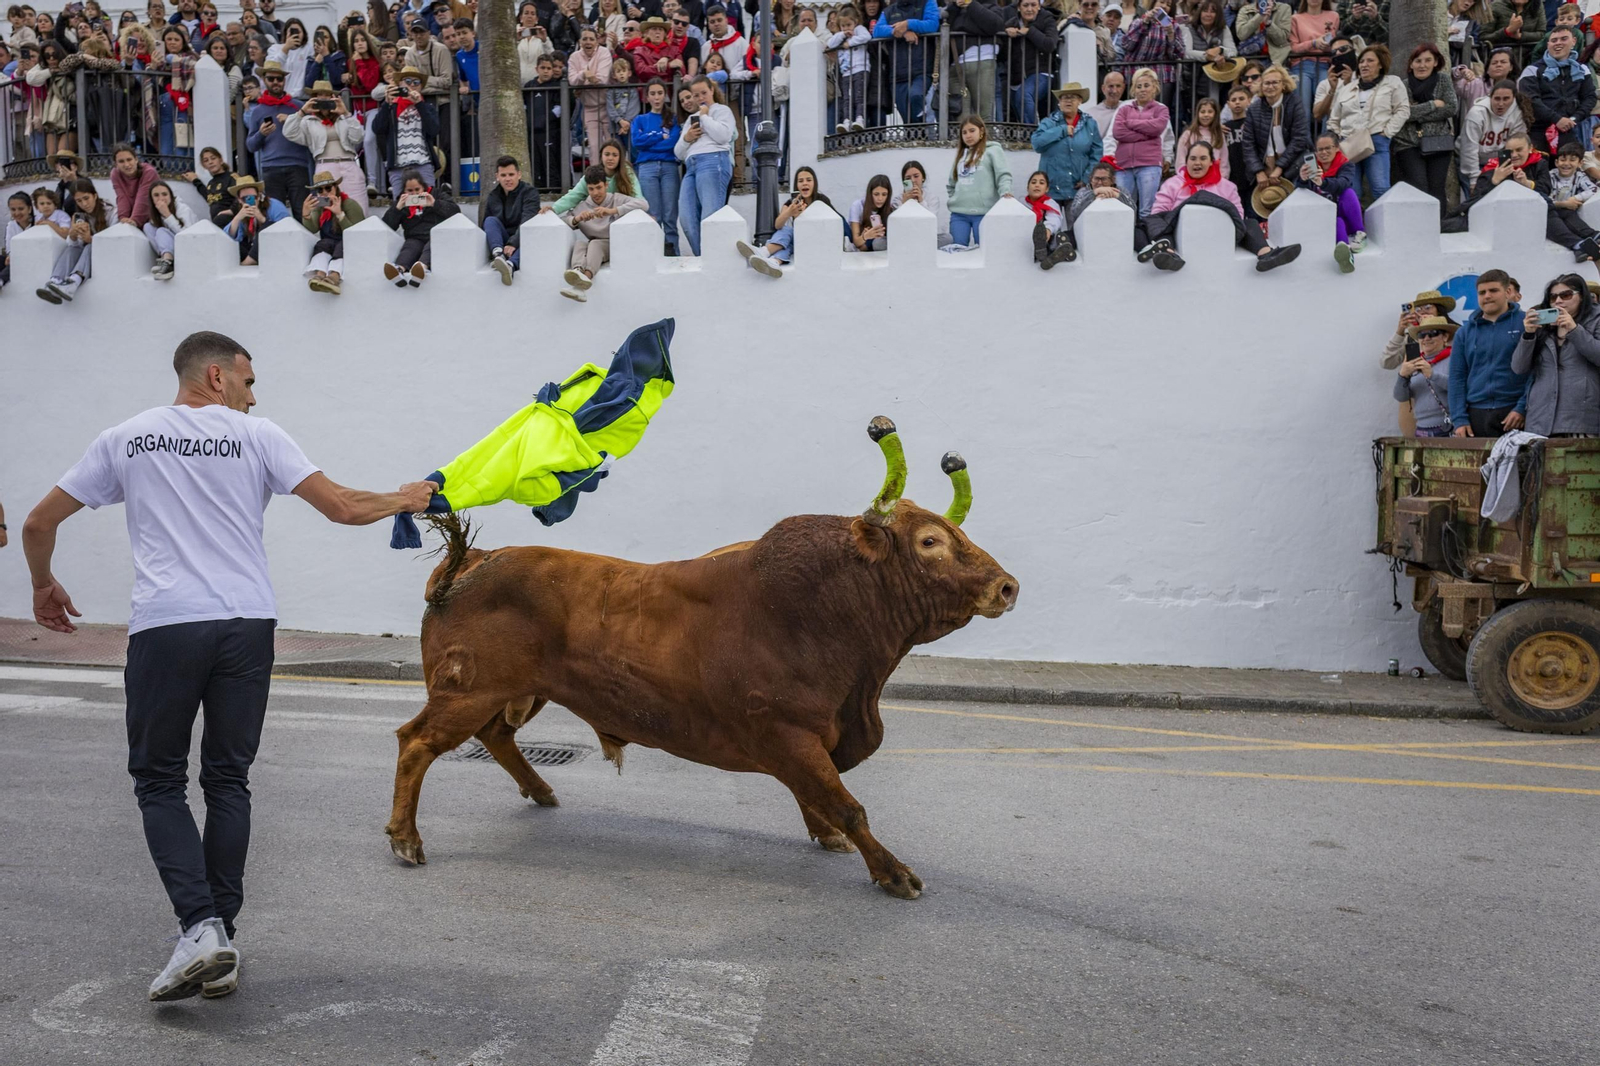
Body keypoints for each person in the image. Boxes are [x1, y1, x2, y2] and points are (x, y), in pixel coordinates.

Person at [21, 330, 436, 1004]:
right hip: (247, 624)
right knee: (227, 779)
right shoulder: (259, 437)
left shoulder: (127, 438)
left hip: (168, 624)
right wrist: (406, 497)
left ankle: (201, 929)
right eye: (247, 381)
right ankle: (221, 938)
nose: (252, 395)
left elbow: (39, 523)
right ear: (216, 376)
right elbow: (342, 507)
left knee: (159, 780)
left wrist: (43, 584)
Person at [1136, 140, 1301, 272]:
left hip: (1219, 233)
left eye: (1203, 158)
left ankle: (1266, 255)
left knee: (1249, 223)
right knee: (1154, 223)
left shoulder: (1227, 187)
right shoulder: (1172, 184)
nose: (1197, 163)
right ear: (1186, 162)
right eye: (1193, 159)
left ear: (1211, 162)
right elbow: (1158, 212)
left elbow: (1238, 215)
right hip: (1181, 233)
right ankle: (1168, 255)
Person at [1513, 273, 1600, 436]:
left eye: (1566, 295)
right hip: (1540, 421)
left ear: (1582, 296)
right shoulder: (1543, 325)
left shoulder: (1596, 319)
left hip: (1580, 421)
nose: (1558, 301)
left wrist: (1574, 330)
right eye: (1553, 297)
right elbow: (1518, 367)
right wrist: (1529, 335)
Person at [1449, 268, 1528, 438]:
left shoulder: (1526, 323)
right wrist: (1459, 419)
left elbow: (1537, 371)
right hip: (1476, 414)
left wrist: (1522, 407)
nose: (1487, 296)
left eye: (1493, 290)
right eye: (1482, 292)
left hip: (1515, 413)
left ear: (1508, 292)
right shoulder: (1464, 332)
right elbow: (1457, 377)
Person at [1326, 45, 1408, 201]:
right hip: (1348, 143)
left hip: (1376, 139)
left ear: (1381, 64)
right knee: (1352, 192)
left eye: (1370, 61)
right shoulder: (1347, 88)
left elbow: (1403, 110)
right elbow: (1334, 119)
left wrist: (1387, 133)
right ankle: (1356, 218)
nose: (1364, 65)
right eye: (1362, 61)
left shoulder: (1392, 82)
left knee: (1380, 189)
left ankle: (1385, 218)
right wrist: (1338, 137)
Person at [558, 163, 648, 301]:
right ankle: (577, 273)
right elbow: (563, 220)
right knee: (580, 244)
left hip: (611, 243)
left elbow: (643, 204)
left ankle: (585, 280)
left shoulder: (616, 199)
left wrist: (613, 211)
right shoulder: (582, 206)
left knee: (595, 244)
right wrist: (577, 219)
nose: (595, 193)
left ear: (606, 185)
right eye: (591, 189)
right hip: (593, 247)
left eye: (599, 187)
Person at [244, 60, 313, 224]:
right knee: (275, 215)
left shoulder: (298, 107)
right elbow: (251, 145)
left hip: (298, 166)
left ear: (284, 80)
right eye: (271, 78)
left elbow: (311, 135)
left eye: (279, 79)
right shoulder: (258, 111)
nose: (275, 82)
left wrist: (292, 120)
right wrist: (261, 134)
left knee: (302, 212)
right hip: (271, 168)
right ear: (264, 80)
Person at [281, 79, 366, 211]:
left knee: (359, 208)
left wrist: (346, 113)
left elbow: (358, 137)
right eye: (319, 95)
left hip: (349, 164)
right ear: (313, 98)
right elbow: (288, 132)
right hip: (324, 167)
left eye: (327, 95)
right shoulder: (308, 121)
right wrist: (302, 111)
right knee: (327, 210)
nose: (323, 98)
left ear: (333, 97)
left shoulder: (344, 118)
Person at [674, 73, 734, 256]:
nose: (700, 98)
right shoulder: (690, 119)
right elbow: (678, 153)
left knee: (710, 217)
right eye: (696, 95)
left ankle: (712, 259)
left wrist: (705, 117)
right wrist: (687, 138)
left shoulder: (722, 110)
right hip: (691, 166)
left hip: (713, 160)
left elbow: (724, 136)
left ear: (712, 91)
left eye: (704, 93)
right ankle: (704, 258)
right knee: (687, 219)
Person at [1391, 42, 1456, 213]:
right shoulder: (1402, 85)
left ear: (1436, 62)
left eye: (1428, 60)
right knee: (1418, 187)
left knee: (1437, 188)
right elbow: (1404, 114)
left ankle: (1440, 224)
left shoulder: (1443, 80)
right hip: (1408, 144)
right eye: (1418, 61)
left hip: (1439, 142)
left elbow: (1451, 108)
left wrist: (1416, 111)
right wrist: (1433, 104)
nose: (1422, 65)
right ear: (1411, 64)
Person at [735, 164, 830, 276]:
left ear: (814, 183)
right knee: (786, 233)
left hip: (814, 240)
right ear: (796, 185)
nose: (805, 183)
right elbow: (778, 225)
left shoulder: (822, 201)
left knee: (788, 232)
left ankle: (763, 252)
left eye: (809, 180)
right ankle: (774, 262)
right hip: (796, 243)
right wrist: (789, 212)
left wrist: (804, 215)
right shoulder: (791, 203)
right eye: (800, 181)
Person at [1518, 25, 1594, 155]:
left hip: (1570, 129)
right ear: (1548, 44)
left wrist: (1574, 118)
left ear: (1574, 41)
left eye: (1564, 39)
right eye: (1554, 40)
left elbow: (1590, 97)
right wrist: (1557, 119)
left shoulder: (1582, 69)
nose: (1558, 43)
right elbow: (1531, 100)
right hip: (1539, 131)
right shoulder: (1532, 70)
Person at [1294, 131, 1363, 270]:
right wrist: (1302, 179)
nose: (1323, 152)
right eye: (1320, 149)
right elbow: (1300, 192)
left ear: (1337, 148)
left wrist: (1322, 182)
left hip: (1345, 215)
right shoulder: (1311, 167)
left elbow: (1343, 183)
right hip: (1325, 219)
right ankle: (1345, 253)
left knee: (1348, 192)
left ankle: (1360, 233)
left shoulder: (1346, 165)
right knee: (1337, 222)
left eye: (1328, 148)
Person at [369, 65, 439, 198]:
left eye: (416, 82)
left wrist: (419, 104)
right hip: (398, 167)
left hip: (422, 163)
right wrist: (387, 103)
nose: (412, 85)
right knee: (400, 205)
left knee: (428, 203)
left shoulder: (427, 107)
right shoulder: (391, 107)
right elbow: (377, 129)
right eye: (407, 81)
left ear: (421, 87)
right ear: (400, 84)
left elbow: (433, 130)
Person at [381, 168, 457, 286]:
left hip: (435, 235)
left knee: (432, 244)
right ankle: (399, 269)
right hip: (414, 238)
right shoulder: (401, 202)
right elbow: (387, 226)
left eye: (417, 189)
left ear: (424, 188)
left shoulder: (436, 194)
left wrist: (434, 204)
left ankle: (421, 268)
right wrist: (397, 209)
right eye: (410, 191)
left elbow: (455, 211)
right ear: (404, 191)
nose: (414, 194)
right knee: (410, 247)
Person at [36, 178, 108, 304]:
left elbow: (113, 242)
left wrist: (91, 239)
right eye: (79, 201)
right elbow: (75, 245)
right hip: (86, 258)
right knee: (71, 248)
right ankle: (55, 282)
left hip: (103, 256)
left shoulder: (110, 211)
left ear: (95, 196)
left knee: (89, 247)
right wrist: (73, 236)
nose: (84, 204)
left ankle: (74, 281)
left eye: (86, 198)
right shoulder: (78, 216)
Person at [1031, 81, 1102, 205]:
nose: (1068, 101)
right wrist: (1062, 130)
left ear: (1080, 101)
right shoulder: (1049, 122)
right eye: (1064, 98)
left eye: (1072, 97)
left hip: (1078, 189)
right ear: (1059, 101)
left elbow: (1096, 154)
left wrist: (1087, 178)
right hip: (1051, 188)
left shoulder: (1090, 124)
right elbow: (1036, 144)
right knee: (1050, 218)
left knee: (1078, 218)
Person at [1110, 67, 1169, 215]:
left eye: (1146, 85)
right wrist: (1147, 134)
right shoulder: (1124, 109)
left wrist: (1130, 123)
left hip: (1149, 164)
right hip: (1123, 165)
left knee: (1146, 210)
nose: (1142, 89)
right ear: (1133, 89)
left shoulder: (1161, 109)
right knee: (1124, 209)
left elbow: (1157, 128)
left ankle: (1146, 232)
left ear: (1154, 88)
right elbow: (1118, 132)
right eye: (1139, 86)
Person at [946, 114, 1011, 247]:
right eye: (964, 132)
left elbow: (1003, 175)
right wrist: (957, 198)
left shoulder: (993, 150)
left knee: (983, 251)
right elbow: (951, 183)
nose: (968, 135)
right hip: (959, 213)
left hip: (984, 212)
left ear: (981, 131)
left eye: (972, 130)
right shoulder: (961, 155)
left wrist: (1005, 192)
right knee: (957, 249)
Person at [631, 79, 680, 254]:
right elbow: (636, 142)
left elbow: (673, 143)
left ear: (665, 95)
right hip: (646, 168)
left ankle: (673, 253)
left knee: (670, 216)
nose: (657, 97)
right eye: (653, 93)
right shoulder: (640, 119)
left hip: (669, 167)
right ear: (647, 97)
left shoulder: (673, 119)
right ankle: (655, 254)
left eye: (660, 93)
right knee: (654, 215)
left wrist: (649, 142)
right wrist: (659, 136)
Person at [479, 154, 539, 284]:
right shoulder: (493, 196)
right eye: (503, 175)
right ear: (497, 176)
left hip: (523, 239)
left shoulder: (530, 193)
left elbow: (528, 221)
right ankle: (498, 255)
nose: (507, 179)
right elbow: (487, 226)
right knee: (490, 221)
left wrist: (513, 243)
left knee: (529, 240)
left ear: (519, 174)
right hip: (503, 242)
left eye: (511, 174)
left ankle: (510, 266)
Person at [1459, 78, 1529, 188]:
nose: (1500, 104)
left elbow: (1513, 147)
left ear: (1514, 98)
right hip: (1473, 162)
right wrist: (1474, 180)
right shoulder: (1476, 114)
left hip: (1499, 162)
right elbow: (1469, 149)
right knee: (1476, 195)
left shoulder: (1518, 114)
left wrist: (1504, 169)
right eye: (1497, 99)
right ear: (1490, 97)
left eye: (1506, 99)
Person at [1394, 315, 1457, 437]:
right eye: (1422, 335)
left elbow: (1460, 388)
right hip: (1422, 429)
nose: (1426, 338)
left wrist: (1432, 374)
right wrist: (1402, 376)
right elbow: (1401, 397)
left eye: (1433, 333)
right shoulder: (1415, 362)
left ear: (1445, 337)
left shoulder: (1454, 358)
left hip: (1449, 428)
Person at [301, 169, 362, 294]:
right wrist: (306, 215)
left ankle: (334, 277)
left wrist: (339, 214)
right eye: (320, 190)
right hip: (329, 244)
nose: (324, 193)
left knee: (341, 246)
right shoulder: (320, 207)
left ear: (335, 188)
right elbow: (312, 229)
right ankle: (320, 275)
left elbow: (357, 234)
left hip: (348, 245)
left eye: (328, 188)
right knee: (322, 244)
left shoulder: (349, 204)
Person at [1539, 140, 1600, 262]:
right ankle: (1580, 246)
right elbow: (1544, 198)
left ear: (1580, 163)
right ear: (1556, 162)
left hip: (1568, 211)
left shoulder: (1579, 176)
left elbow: (1594, 189)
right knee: (1561, 217)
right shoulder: (1550, 176)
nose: (1566, 164)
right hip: (1551, 210)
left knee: (1570, 216)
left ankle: (1592, 236)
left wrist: (1576, 198)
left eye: (1572, 160)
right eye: (1563, 160)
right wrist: (1563, 204)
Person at [1003, 0, 1058, 125]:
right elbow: (1002, 54)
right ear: (1018, 7)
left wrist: (1029, 31)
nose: (1029, 9)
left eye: (1033, 5)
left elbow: (1050, 44)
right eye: (1025, 5)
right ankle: (1028, 134)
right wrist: (1007, 36)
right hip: (1016, 78)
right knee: (1018, 110)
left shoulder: (1047, 19)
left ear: (1039, 7)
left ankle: (1032, 134)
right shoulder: (1011, 23)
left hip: (1042, 73)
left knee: (1023, 96)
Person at [1287, 0, 1338, 123]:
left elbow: (1335, 43)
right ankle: (1304, 136)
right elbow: (1293, 48)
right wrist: (1313, 43)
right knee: (1302, 108)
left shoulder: (1333, 16)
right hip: (1302, 65)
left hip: (1324, 65)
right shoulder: (1295, 18)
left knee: (1328, 103)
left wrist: (1327, 47)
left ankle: (1327, 134)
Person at [1382, 288, 1458, 369]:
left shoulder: (1457, 334)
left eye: (1427, 307)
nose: (1422, 312)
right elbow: (1387, 363)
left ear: (1439, 310)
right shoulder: (1411, 338)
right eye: (1418, 309)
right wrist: (1400, 332)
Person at [224, 174, 290, 264]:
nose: (249, 201)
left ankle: (248, 262)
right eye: (244, 198)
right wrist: (237, 218)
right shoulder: (242, 211)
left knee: (266, 227)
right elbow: (226, 237)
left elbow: (285, 231)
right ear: (239, 200)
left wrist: (262, 218)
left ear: (259, 196)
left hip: (274, 249)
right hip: (252, 247)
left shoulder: (275, 205)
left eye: (253, 197)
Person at [570, 26, 612, 161]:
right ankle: (596, 174)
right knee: (594, 147)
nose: (588, 42)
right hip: (589, 108)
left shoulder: (604, 52)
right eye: (585, 39)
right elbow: (572, 81)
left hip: (607, 106)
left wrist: (581, 85)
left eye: (591, 39)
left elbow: (601, 79)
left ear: (597, 41)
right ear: (580, 42)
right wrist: (584, 74)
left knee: (611, 145)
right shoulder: (574, 57)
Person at [825, 3, 869, 131]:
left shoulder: (859, 30)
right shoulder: (840, 35)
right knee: (847, 97)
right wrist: (843, 35)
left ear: (855, 22)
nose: (846, 28)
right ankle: (847, 120)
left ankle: (860, 118)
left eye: (849, 25)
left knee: (859, 95)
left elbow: (867, 37)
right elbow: (830, 43)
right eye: (843, 26)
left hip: (860, 68)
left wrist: (850, 42)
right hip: (846, 71)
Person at [142, 179, 193, 281]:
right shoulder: (155, 214)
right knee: (148, 227)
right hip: (171, 249)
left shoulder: (183, 209)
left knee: (161, 231)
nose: (161, 198)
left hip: (187, 248)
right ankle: (165, 259)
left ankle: (169, 262)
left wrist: (168, 215)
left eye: (164, 194)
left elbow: (187, 235)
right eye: (156, 195)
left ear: (170, 196)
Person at [1024, 168, 1073, 269]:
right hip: (1027, 242)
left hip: (1049, 239)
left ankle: (1053, 255)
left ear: (1046, 189)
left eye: (1041, 183)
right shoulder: (1021, 205)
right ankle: (1042, 252)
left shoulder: (1050, 203)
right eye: (1033, 182)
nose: (1037, 185)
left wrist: (1047, 230)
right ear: (1027, 188)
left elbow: (1054, 218)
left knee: (1068, 235)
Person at [1177, 96, 1230, 182]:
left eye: (1210, 112)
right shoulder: (1188, 135)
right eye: (1202, 112)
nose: (1206, 115)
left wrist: (1222, 179)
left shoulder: (1219, 135)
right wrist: (1184, 177)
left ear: (1215, 114)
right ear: (1197, 113)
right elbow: (1181, 159)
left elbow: (1224, 161)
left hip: (1214, 181)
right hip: (1192, 181)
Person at [111, 142, 159, 228]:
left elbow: (143, 198)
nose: (126, 164)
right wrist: (123, 218)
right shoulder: (115, 174)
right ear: (116, 164)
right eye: (121, 161)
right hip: (132, 216)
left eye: (129, 159)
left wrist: (135, 220)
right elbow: (122, 197)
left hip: (153, 216)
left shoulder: (149, 172)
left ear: (136, 159)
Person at [1487, 0, 1545, 69]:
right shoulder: (1496, 6)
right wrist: (1507, 31)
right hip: (1500, 60)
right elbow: (1484, 37)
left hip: (1528, 59)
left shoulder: (1537, 5)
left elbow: (1542, 35)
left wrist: (1520, 36)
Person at [849, 172, 896, 251]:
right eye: (876, 194)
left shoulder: (889, 209)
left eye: (884, 194)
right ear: (870, 194)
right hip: (860, 241)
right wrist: (866, 236)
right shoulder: (857, 206)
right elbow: (856, 241)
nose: (880, 198)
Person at [1084, 68, 1124, 155]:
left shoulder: (1128, 108)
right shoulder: (1090, 114)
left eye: (1118, 86)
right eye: (1111, 86)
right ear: (1103, 88)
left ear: (1123, 88)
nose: (1114, 91)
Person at [2, 189, 33, 292]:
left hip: (30, 260)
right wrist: (10, 255)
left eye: (21, 209)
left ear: (29, 209)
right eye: (13, 209)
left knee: (16, 262)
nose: (17, 213)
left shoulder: (38, 223)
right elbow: (9, 246)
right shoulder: (11, 225)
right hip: (14, 258)